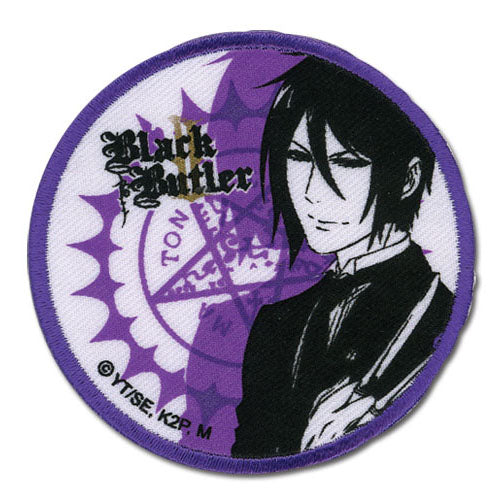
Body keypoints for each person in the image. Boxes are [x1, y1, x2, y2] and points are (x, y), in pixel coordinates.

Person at [231, 56, 454, 458]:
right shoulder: (274, 326)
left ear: (408, 178)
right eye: (298, 157)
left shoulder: (442, 315)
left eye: (346, 162)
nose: (311, 192)